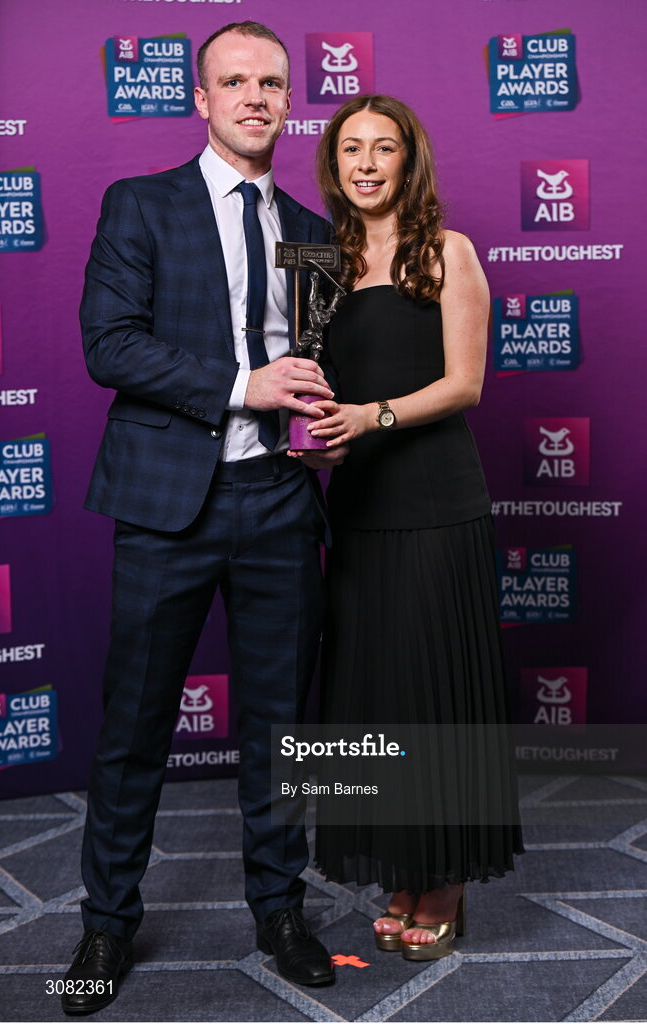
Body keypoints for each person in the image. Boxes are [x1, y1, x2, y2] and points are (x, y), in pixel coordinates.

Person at [62, 21, 345, 1015]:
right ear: (202, 99)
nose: (255, 97)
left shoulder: (313, 229)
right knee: (135, 726)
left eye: (271, 83)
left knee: (280, 727)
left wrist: (330, 426)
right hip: (165, 505)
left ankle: (279, 909)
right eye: (235, 82)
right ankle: (106, 922)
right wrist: (242, 385)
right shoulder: (141, 204)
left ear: (289, 101)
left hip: (279, 501)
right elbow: (108, 344)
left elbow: (318, 364)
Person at [307, 95, 524, 961]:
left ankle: (446, 882)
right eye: (350, 148)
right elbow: (312, 379)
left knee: (436, 696)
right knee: (381, 694)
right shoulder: (319, 262)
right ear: (333, 164)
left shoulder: (447, 251)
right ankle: (405, 866)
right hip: (359, 507)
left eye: (383, 148)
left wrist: (371, 419)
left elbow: (465, 383)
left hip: (437, 503)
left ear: (409, 161)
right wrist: (321, 435)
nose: (366, 163)